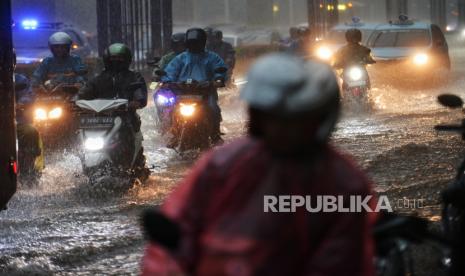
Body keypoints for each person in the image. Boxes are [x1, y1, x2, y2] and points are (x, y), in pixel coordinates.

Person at [141, 54, 376, 276]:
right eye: (270, 118)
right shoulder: (224, 164)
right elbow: (179, 228)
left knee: (212, 109)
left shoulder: (343, 185)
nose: (280, 130)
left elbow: (340, 261)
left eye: (292, 121)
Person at [78, 43, 148, 163]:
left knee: (126, 131)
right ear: (107, 60)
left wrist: (133, 103)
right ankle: (81, 160)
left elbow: (140, 97)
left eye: (120, 59)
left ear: (127, 60)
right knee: (80, 132)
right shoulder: (98, 78)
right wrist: (75, 101)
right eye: (113, 59)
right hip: (100, 118)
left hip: (125, 117)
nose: (116, 61)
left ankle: (127, 165)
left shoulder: (134, 77)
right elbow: (84, 93)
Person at [162, 28, 227, 144]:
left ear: (202, 43)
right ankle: (175, 134)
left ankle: (215, 134)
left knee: (213, 108)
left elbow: (220, 70)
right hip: (182, 92)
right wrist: (167, 81)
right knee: (171, 109)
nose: (194, 45)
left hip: (205, 93)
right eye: (191, 43)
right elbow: (170, 71)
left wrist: (217, 80)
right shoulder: (180, 58)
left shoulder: (212, 57)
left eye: (196, 43)